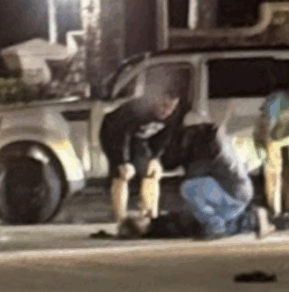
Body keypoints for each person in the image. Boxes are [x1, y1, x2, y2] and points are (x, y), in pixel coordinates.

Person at [100, 67, 187, 224]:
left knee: (151, 171)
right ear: (156, 99)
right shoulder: (138, 110)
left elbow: (165, 136)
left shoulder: (174, 113)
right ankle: (120, 218)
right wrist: (122, 161)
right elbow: (121, 135)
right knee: (123, 173)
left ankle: (149, 213)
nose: (166, 111)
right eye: (163, 105)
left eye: (171, 107)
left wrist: (155, 157)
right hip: (113, 134)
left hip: (139, 137)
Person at [177, 123, 273, 240]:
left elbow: (194, 176)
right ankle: (252, 219)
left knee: (188, 188)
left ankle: (217, 226)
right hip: (239, 193)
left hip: (233, 192)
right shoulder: (223, 142)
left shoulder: (208, 150)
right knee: (223, 220)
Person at [255, 71, 289, 219]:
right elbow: (267, 122)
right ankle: (275, 210)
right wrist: (266, 143)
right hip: (274, 140)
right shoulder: (276, 99)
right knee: (274, 176)